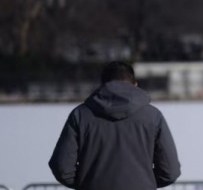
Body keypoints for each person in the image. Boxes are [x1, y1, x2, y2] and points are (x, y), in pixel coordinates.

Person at [49, 61, 181, 190]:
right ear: (135, 85)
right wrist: (145, 182)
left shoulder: (80, 115)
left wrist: (88, 182)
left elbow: (62, 168)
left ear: (102, 85)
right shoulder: (153, 116)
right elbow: (170, 171)